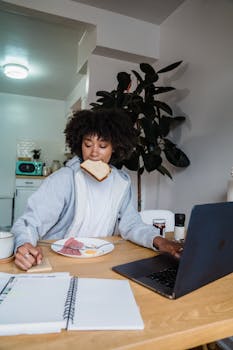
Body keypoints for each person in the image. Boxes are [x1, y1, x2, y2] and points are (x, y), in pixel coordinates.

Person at [12, 109, 183, 270]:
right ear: (80, 144)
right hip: (59, 261)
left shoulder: (121, 182)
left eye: (102, 146)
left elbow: (131, 224)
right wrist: (23, 244)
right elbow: (30, 221)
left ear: (114, 147)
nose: (94, 153)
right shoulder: (64, 179)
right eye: (88, 144)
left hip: (102, 259)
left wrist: (159, 241)